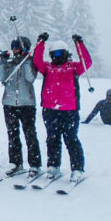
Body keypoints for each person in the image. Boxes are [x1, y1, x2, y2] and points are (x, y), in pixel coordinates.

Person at [33, 33, 91, 183]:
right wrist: (41, 43)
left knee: (71, 139)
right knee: (52, 139)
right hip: (50, 109)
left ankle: (77, 168)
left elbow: (87, 62)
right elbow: (37, 60)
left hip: (69, 110)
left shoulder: (73, 68)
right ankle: (53, 165)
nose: (57, 57)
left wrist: (79, 43)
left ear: (65, 54)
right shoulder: (47, 68)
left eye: (60, 54)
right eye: (54, 54)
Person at [0, 36, 41, 177]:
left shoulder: (30, 62)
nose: (14, 48)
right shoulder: (10, 63)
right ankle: (15, 163)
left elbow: (30, 78)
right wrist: (3, 61)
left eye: (17, 45)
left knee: (30, 134)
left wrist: (26, 61)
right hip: (9, 103)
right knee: (12, 134)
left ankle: (35, 164)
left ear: (24, 47)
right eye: (13, 45)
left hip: (26, 103)